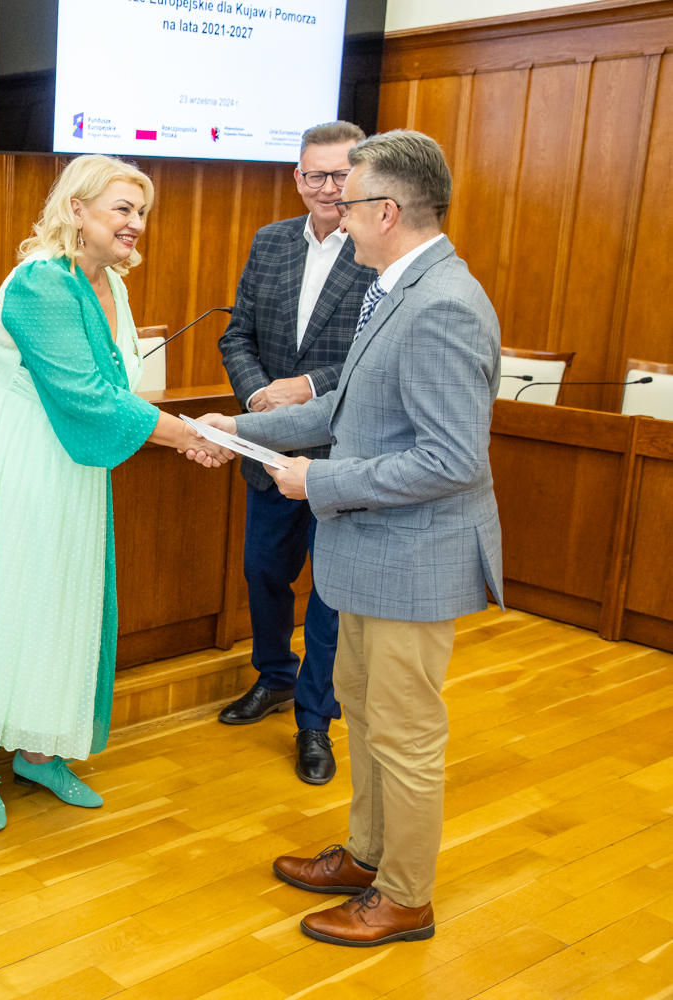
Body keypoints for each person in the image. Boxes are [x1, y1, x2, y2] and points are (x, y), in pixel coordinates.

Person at [192, 129, 503, 946]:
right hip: (371, 553)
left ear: (387, 211)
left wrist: (317, 482)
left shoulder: (441, 304)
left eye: (351, 199)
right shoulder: (396, 286)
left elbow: (451, 460)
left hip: (412, 560)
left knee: (405, 735)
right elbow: (343, 408)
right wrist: (238, 427)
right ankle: (368, 855)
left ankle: (405, 897)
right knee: (365, 716)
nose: (337, 210)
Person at [0, 154, 231, 832]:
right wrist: (186, 436)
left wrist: (180, 433)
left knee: (57, 600)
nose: (136, 223)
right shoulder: (41, 284)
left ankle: (38, 751)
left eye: (142, 212)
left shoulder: (111, 282)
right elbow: (87, 395)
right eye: (122, 208)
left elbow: (113, 390)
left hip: (68, 458)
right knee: (4, 597)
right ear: (76, 209)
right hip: (11, 456)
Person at [215, 121, 376, 786]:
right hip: (270, 451)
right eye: (316, 174)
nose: (328, 187)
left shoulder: (377, 247)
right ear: (297, 178)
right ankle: (274, 676)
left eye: (341, 175)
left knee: (330, 596)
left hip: (340, 456)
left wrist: (305, 388)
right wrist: (261, 401)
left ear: (361, 179)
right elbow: (237, 336)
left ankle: (315, 720)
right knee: (263, 572)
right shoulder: (271, 241)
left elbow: (374, 354)